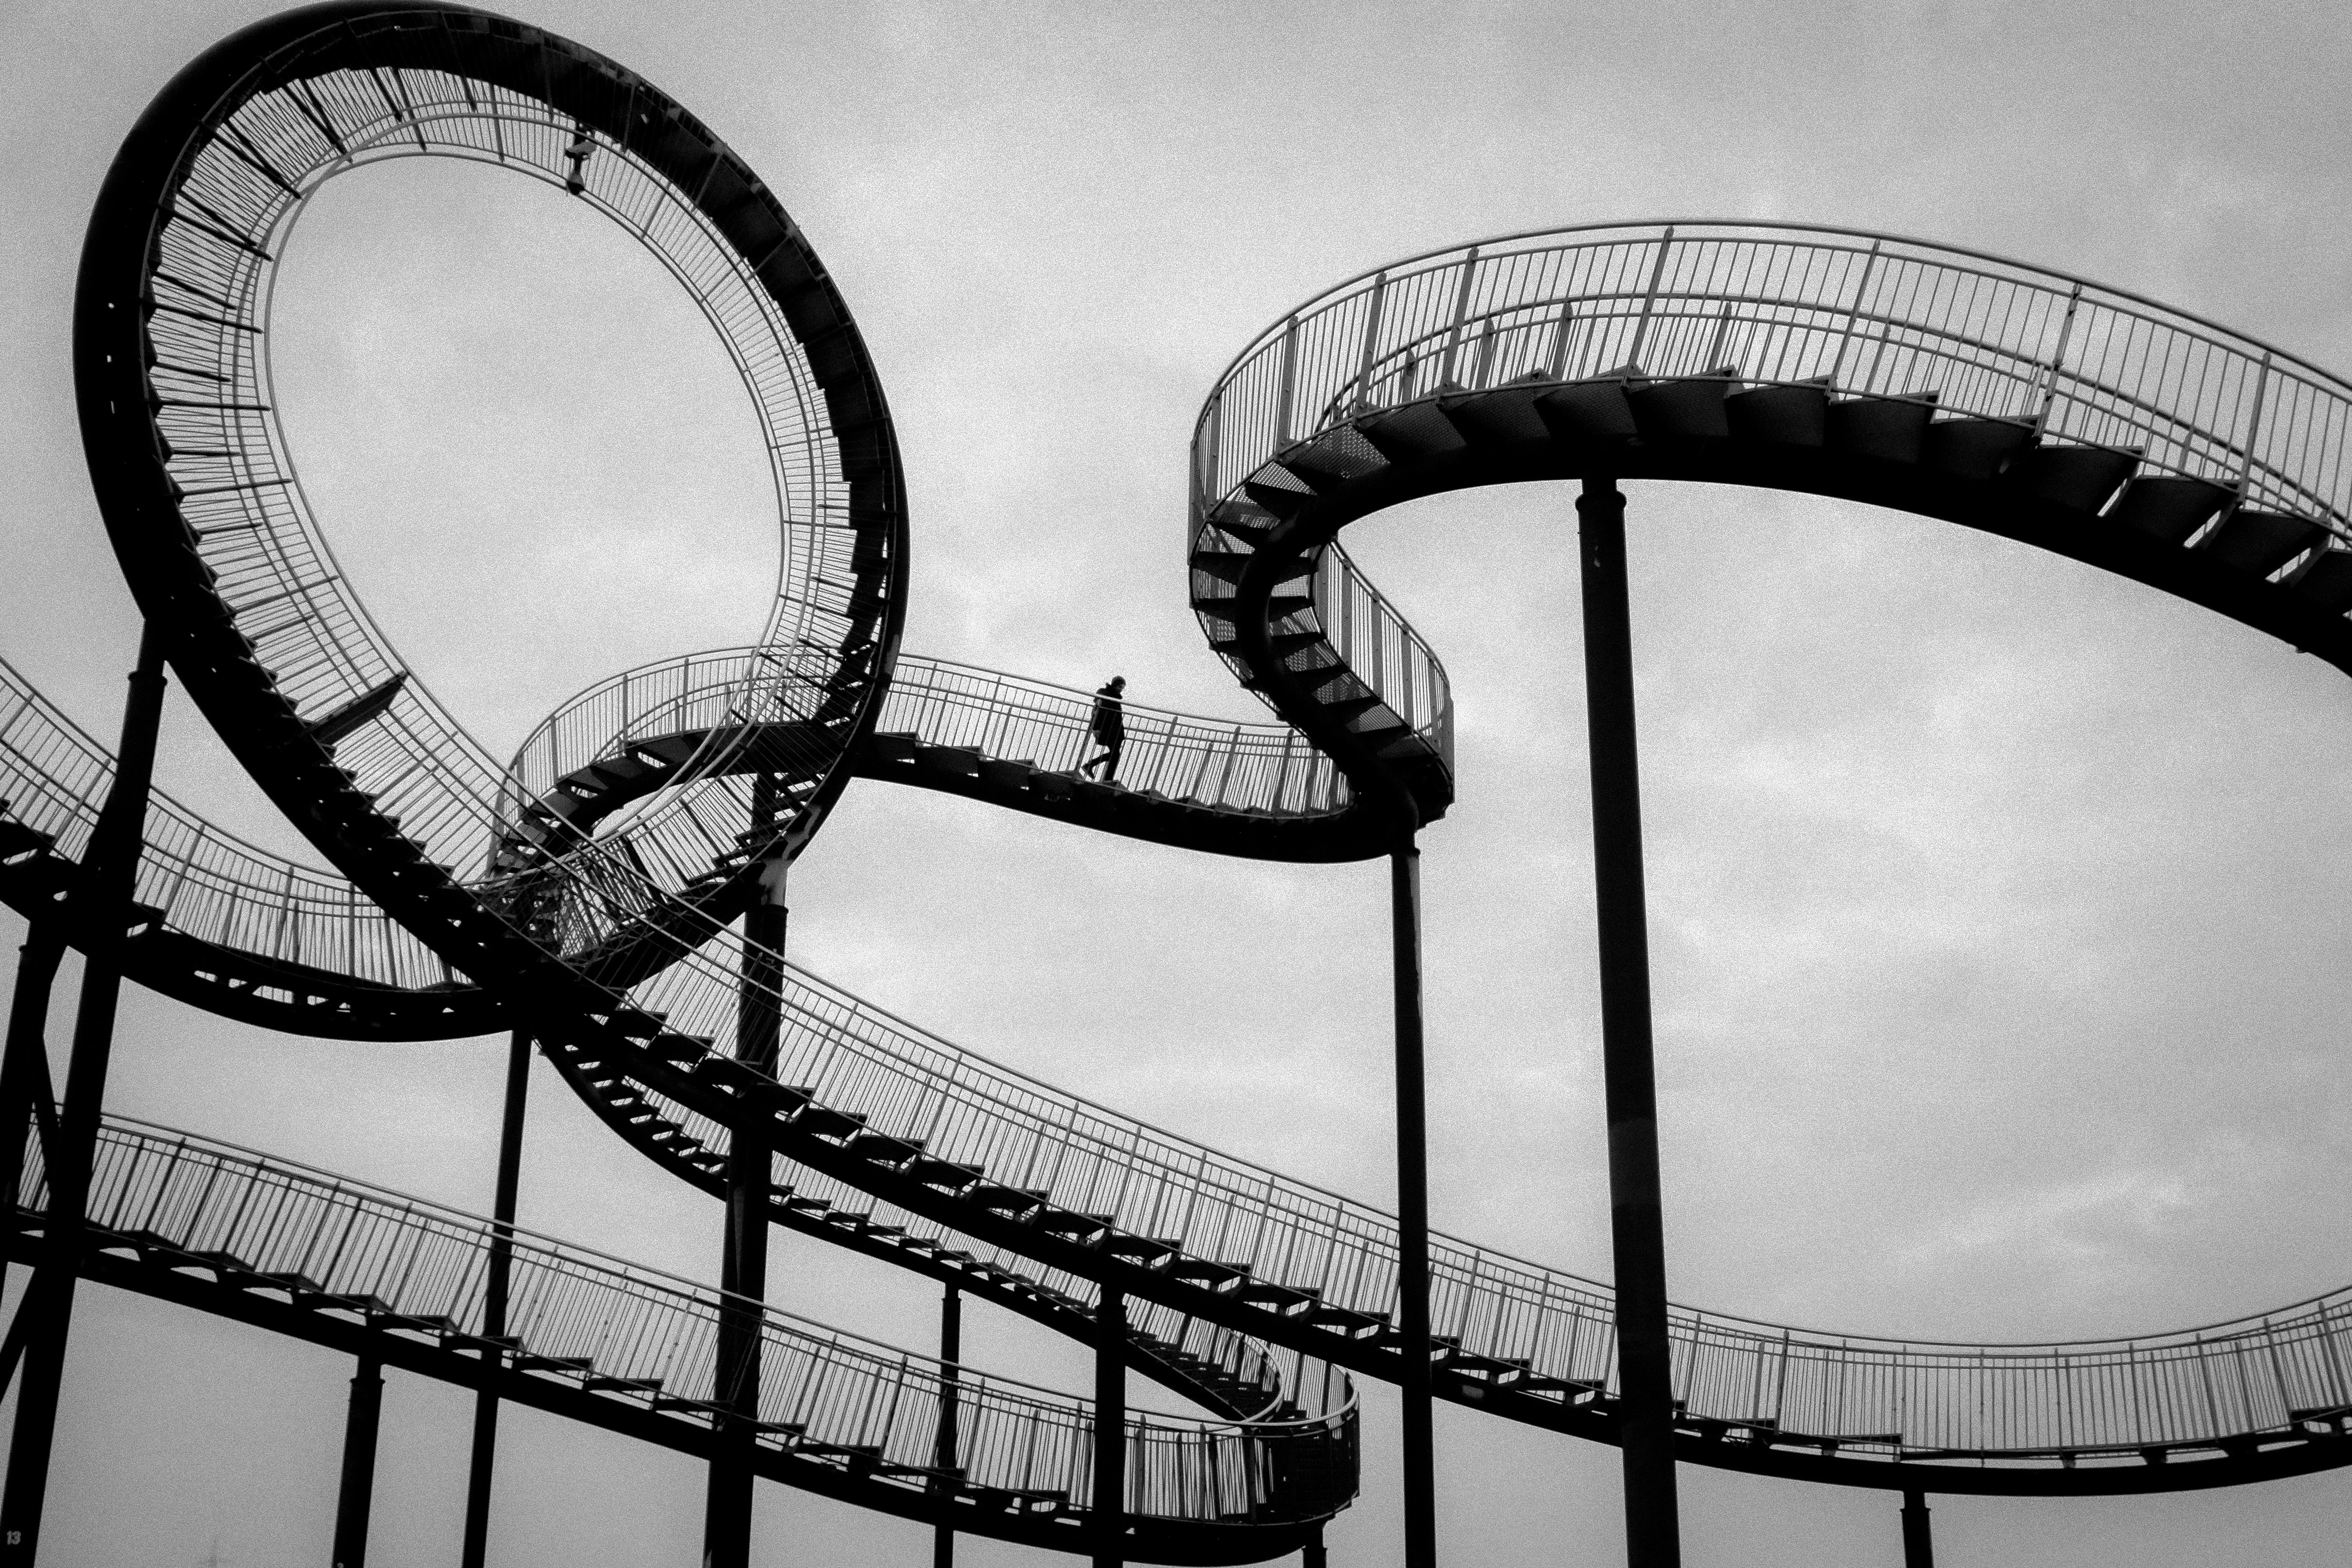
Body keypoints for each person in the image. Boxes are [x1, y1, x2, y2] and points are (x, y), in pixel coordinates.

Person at [1080, 676, 1126, 781]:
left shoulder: (1112, 697)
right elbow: (1099, 713)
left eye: (1122, 687)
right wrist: (1096, 728)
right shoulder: (1107, 696)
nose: (1121, 689)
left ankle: (1093, 767)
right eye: (1120, 686)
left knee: (1115, 755)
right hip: (1109, 730)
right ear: (1115, 685)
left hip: (1115, 731)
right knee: (1115, 755)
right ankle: (1104, 777)